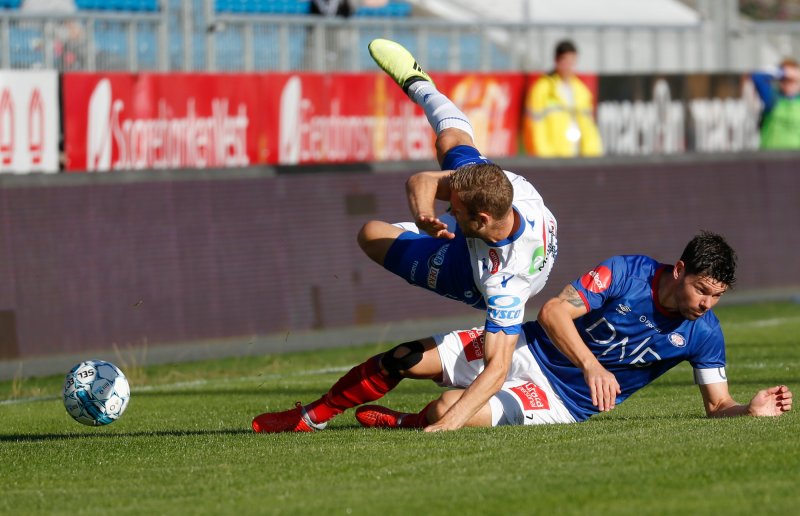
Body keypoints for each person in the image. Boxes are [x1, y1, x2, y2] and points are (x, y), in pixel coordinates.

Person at [252, 38, 559, 433]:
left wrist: (450, 425)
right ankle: (419, 80)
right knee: (448, 144)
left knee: (402, 341)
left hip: (470, 273)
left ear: (481, 218)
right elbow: (424, 178)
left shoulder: (503, 286)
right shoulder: (504, 187)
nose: (450, 208)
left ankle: (312, 417)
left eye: (456, 210)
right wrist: (426, 213)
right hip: (485, 239)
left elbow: (497, 369)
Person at [259, 232, 792, 432]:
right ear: (679, 270)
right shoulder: (628, 272)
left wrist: (749, 409)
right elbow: (558, 311)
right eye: (703, 290)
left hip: (559, 400)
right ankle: (311, 418)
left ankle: (403, 424)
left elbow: (716, 405)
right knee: (402, 357)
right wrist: (591, 362)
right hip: (526, 345)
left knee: (449, 410)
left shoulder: (705, 333)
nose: (707, 303)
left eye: (717, 296)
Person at [523, 40, 603, 158]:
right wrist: (544, 157)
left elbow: (589, 127)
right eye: (565, 61)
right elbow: (535, 128)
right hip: (554, 158)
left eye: (572, 61)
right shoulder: (543, 89)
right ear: (557, 61)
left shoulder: (582, 91)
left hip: (578, 156)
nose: (568, 66)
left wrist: (593, 153)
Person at [750, 58, 800, 150]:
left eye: (792, 80)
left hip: (796, 161)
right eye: (784, 80)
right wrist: (783, 72)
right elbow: (757, 77)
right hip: (772, 159)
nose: (788, 84)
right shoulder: (772, 99)